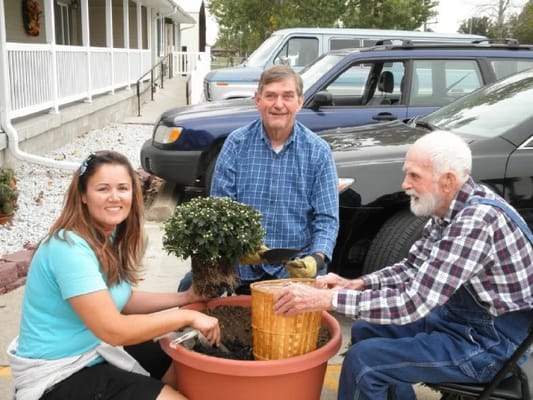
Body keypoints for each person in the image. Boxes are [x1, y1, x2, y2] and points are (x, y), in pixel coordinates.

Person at [272, 131, 533, 400]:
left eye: (415, 176)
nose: (405, 184)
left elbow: (413, 303)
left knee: (365, 362)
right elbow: (411, 267)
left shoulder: (476, 222)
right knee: (365, 329)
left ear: (448, 181)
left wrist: (327, 299)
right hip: (459, 325)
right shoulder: (451, 208)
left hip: (488, 346)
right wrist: (356, 283)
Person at [7, 150, 220, 400]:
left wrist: (185, 297)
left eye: (123, 188)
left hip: (94, 349)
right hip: (59, 373)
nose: (115, 197)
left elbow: (123, 299)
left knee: (181, 364)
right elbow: (113, 329)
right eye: (103, 189)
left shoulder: (109, 235)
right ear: (83, 195)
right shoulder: (68, 248)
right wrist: (187, 317)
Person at [178, 64, 339, 294]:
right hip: (241, 269)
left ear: (300, 102)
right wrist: (238, 244)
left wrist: (317, 259)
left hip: (293, 271)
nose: (278, 104)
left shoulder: (318, 151)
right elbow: (221, 209)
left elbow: (327, 220)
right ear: (257, 101)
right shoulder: (236, 144)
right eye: (270, 96)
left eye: (287, 96)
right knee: (189, 288)